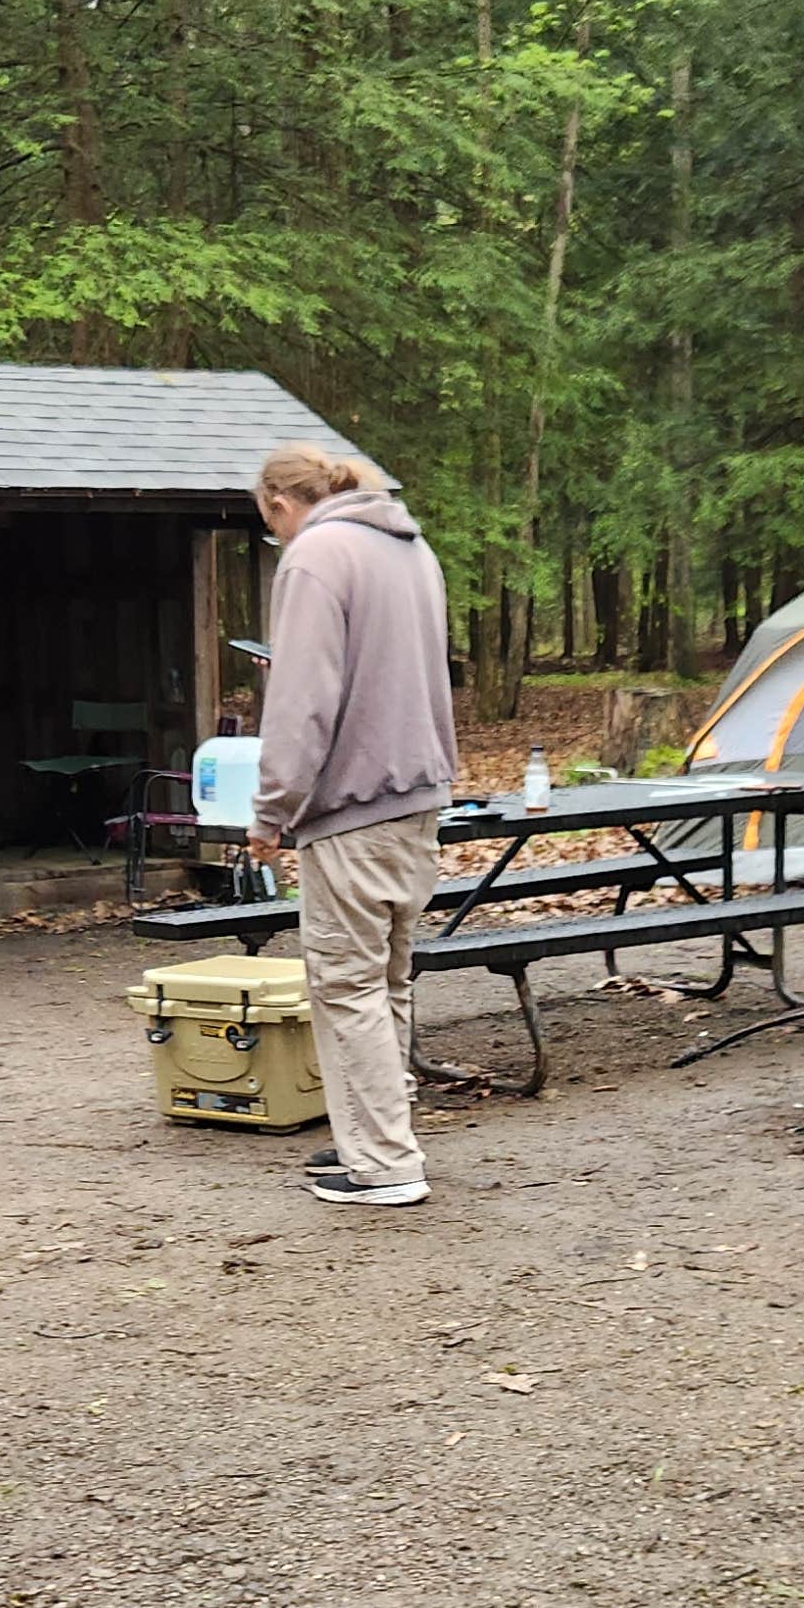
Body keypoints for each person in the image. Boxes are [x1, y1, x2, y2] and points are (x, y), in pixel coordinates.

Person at [248, 446, 460, 1209]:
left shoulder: (315, 558)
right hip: (417, 797)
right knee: (387, 983)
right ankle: (378, 1137)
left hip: (352, 806)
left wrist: (271, 811)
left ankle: (384, 1165)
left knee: (346, 986)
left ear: (278, 503)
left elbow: (303, 701)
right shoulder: (411, 549)